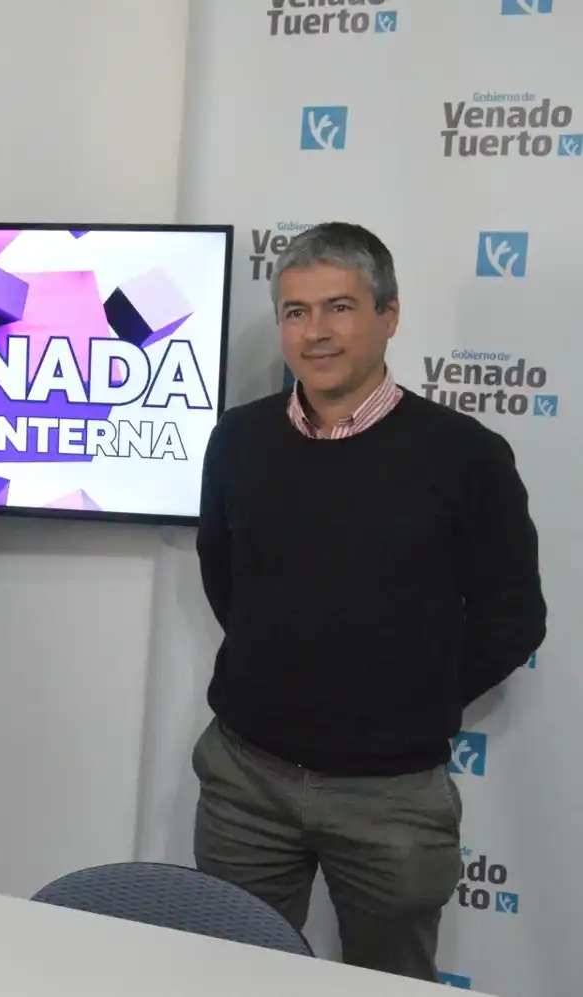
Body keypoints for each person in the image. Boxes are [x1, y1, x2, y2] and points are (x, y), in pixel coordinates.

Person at [191, 221, 546, 982]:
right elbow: (225, 578)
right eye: (296, 311)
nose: (315, 332)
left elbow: (513, 618)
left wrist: (410, 697)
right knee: (229, 977)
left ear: (389, 315)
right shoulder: (238, 441)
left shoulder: (467, 455)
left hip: (393, 797)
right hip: (245, 781)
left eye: (340, 307)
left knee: (390, 983)